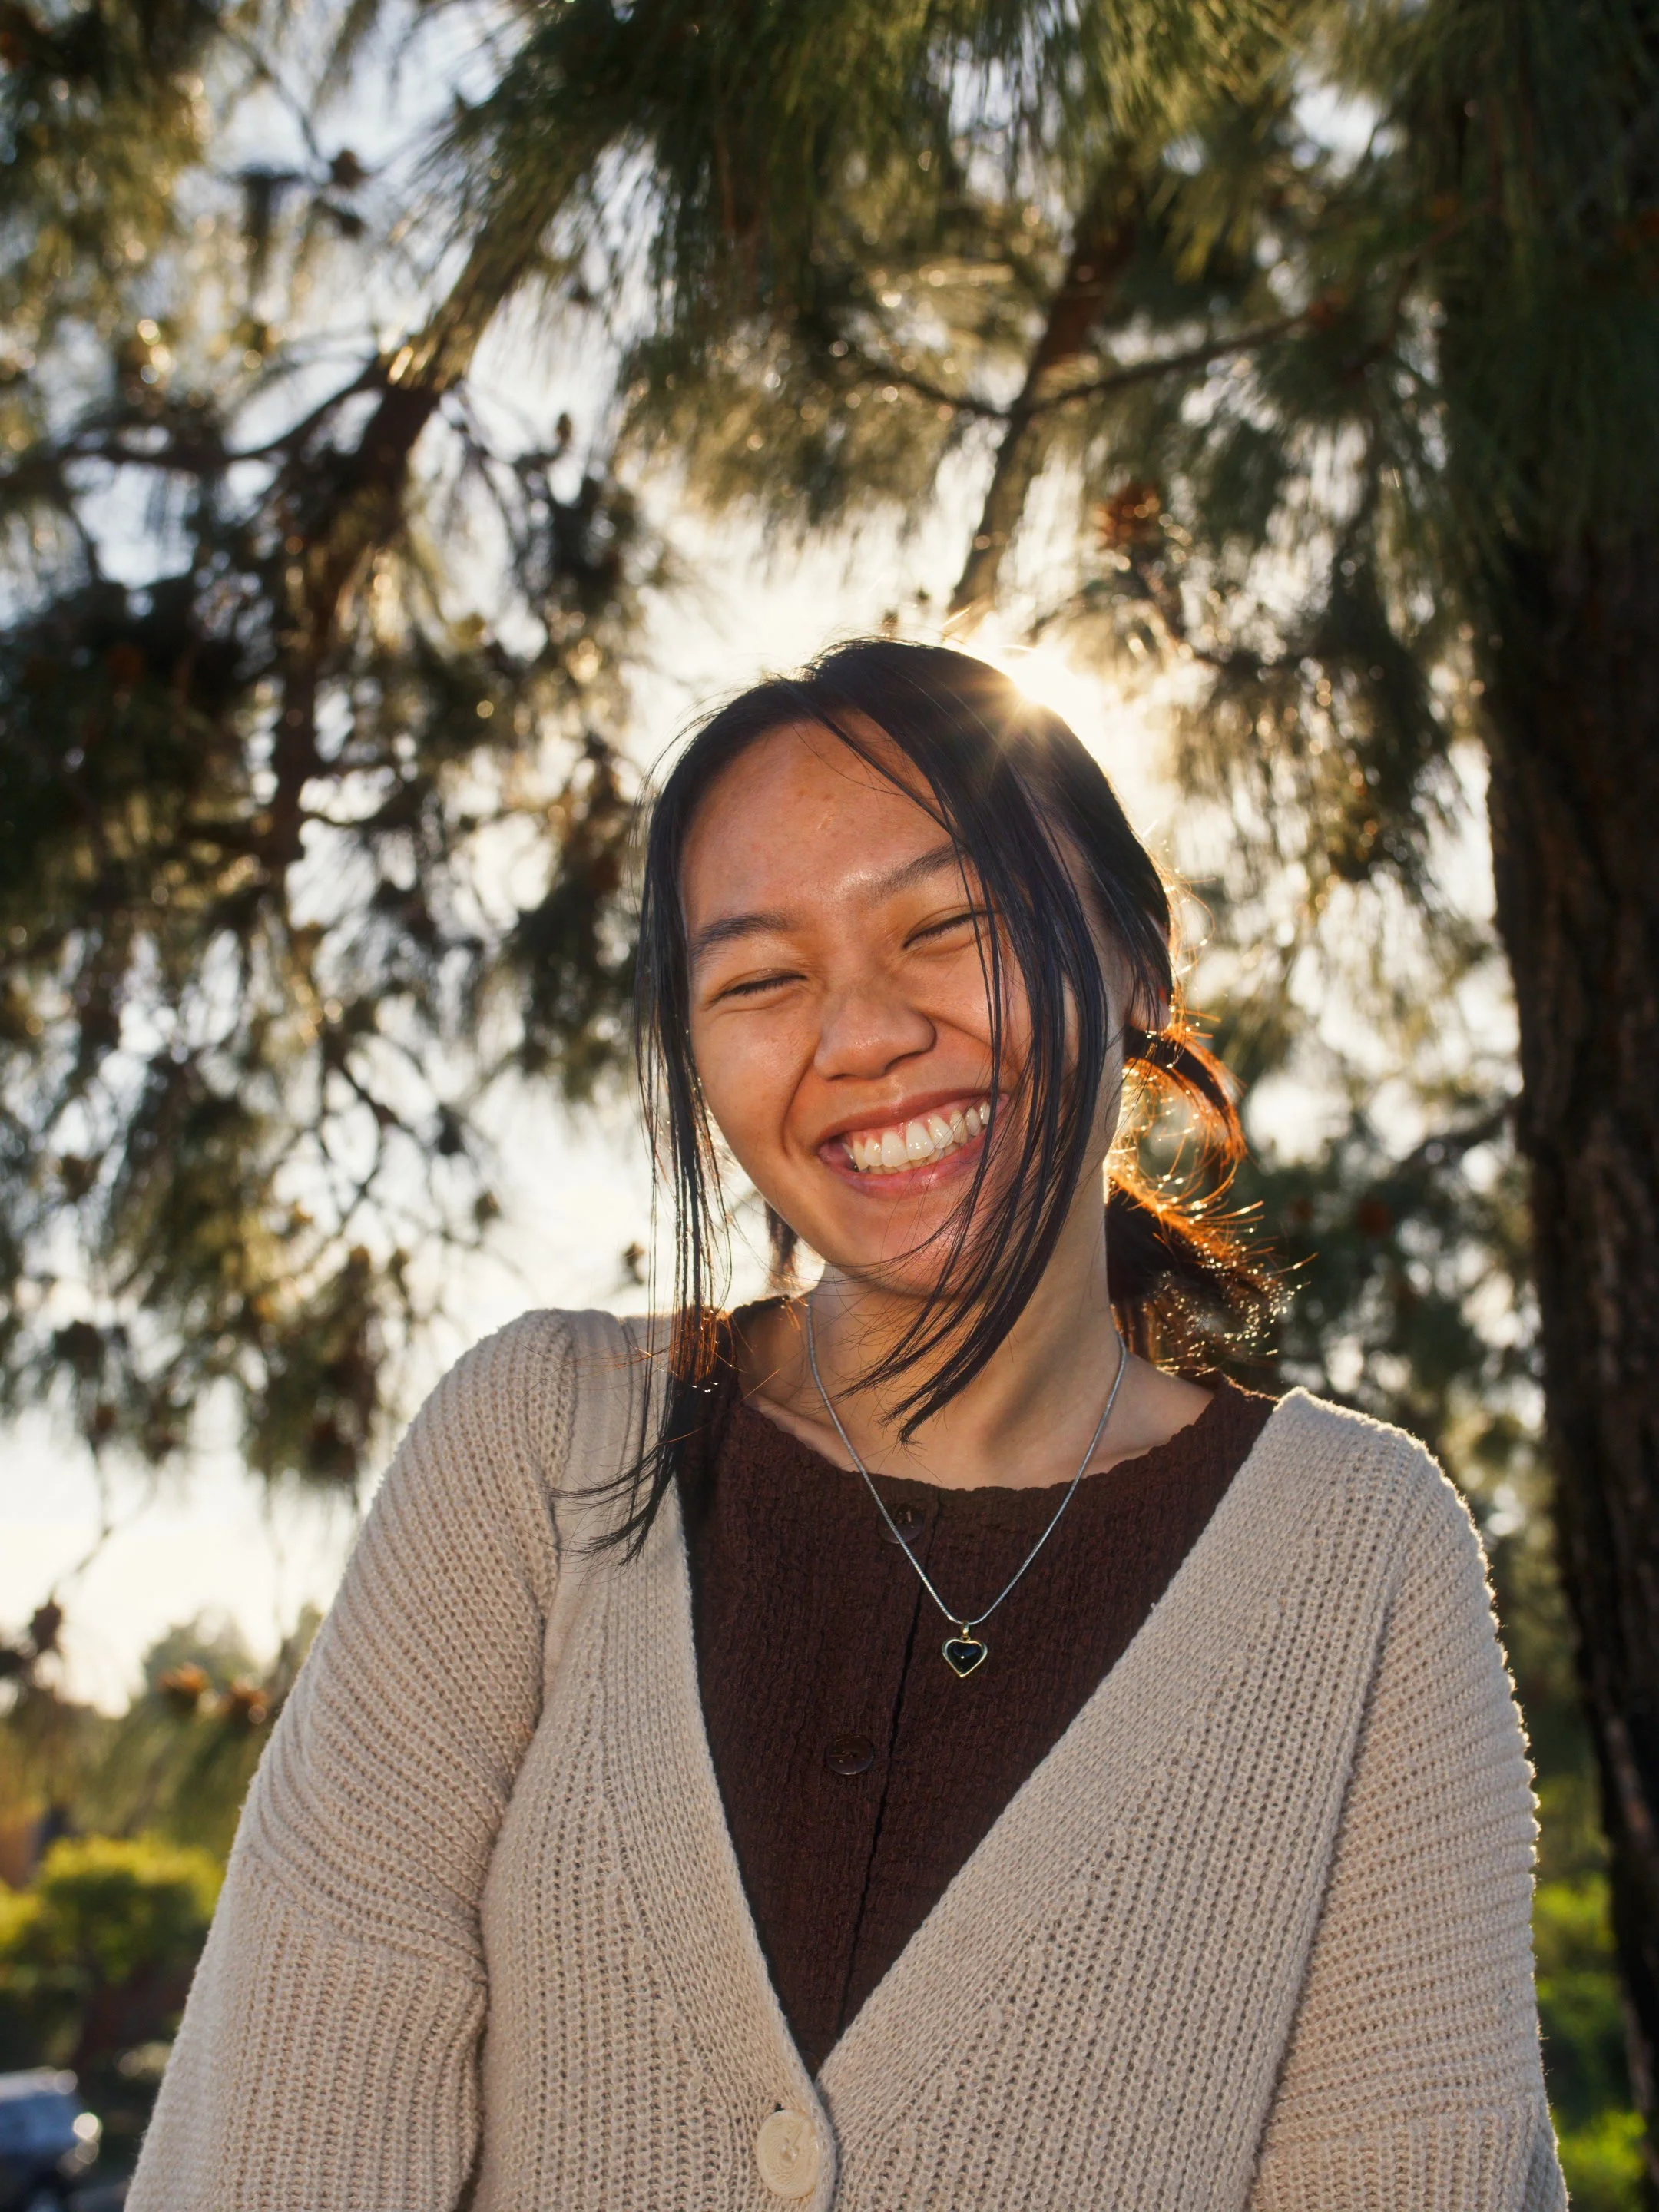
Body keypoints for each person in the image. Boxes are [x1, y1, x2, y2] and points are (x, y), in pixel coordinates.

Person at [128, 640, 1565, 2211]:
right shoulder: (538, 1452)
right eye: (759, 978)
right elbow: (277, 2148)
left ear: (1137, 963)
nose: (862, 1035)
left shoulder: (1360, 1561)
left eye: (947, 927)